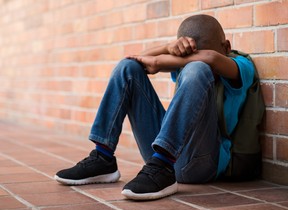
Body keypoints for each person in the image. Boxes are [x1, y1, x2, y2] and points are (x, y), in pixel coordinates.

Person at [54, 14, 255, 200]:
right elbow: (137, 59)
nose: (188, 62)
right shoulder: (185, 63)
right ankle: (103, 157)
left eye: (191, 57)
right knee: (128, 67)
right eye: (186, 57)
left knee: (198, 68)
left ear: (226, 47)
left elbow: (210, 59)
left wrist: (160, 61)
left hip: (202, 164)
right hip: (159, 158)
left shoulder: (241, 66)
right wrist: (168, 47)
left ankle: (163, 166)